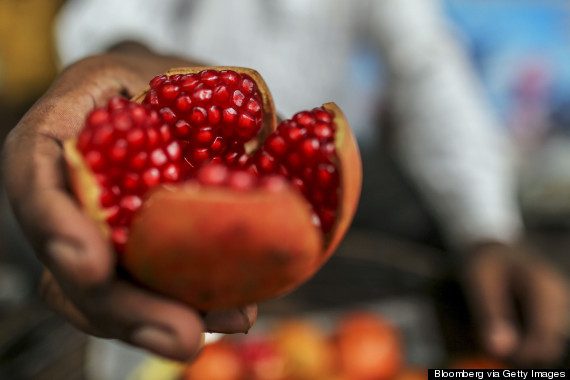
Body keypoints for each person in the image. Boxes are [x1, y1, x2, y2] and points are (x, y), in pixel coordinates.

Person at [3, 0, 568, 365]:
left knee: (416, 196)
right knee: (22, 213)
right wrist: (127, 50)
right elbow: (103, 13)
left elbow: (425, 63)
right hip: (157, 121)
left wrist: (486, 227)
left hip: (310, 187)